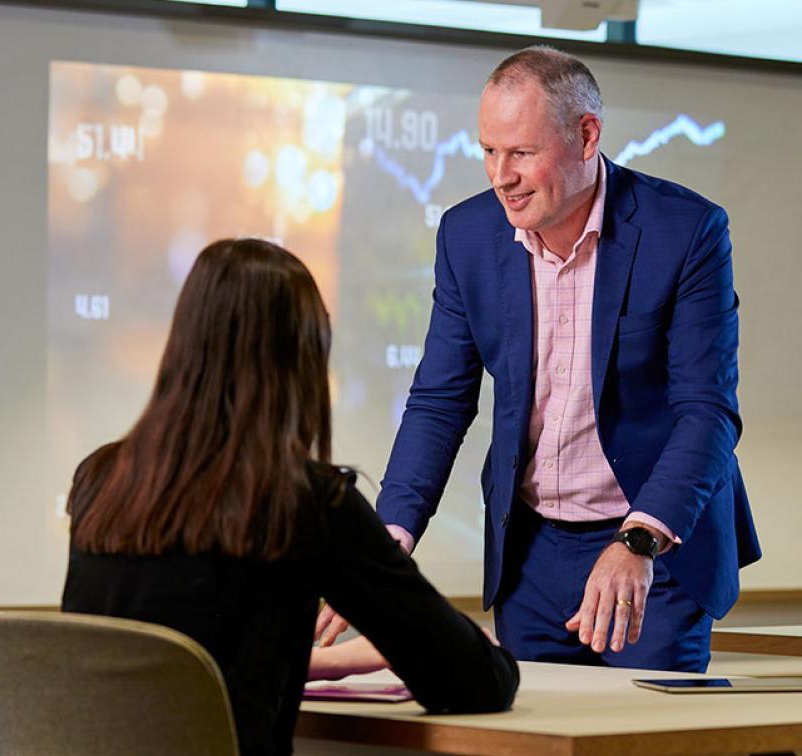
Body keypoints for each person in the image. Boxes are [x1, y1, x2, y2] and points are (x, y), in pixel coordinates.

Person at [320, 45, 760, 673]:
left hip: (650, 546)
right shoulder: (467, 235)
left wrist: (638, 539)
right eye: (488, 151)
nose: (501, 175)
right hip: (531, 552)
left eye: (521, 153)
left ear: (586, 136)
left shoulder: (685, 232)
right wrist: (386, 541)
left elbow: (708, 413)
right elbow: (440, 400)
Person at [61, 238, 519, 756]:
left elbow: (171, 660)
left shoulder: (100, 480)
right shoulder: (307, 502)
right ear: (299, 357)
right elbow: (473, 683)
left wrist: (336, 661)